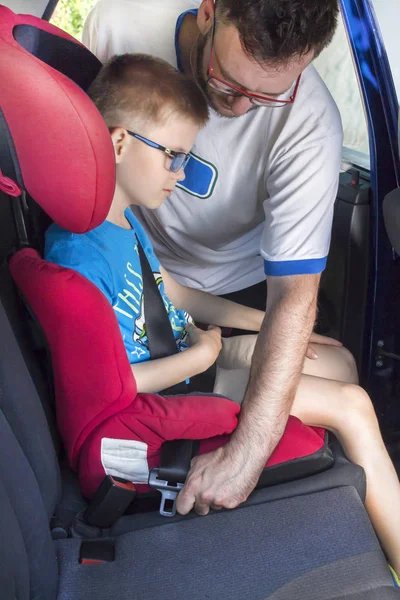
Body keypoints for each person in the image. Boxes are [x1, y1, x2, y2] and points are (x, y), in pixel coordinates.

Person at [44, 54, 400, 576]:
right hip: (160, 406)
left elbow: (176, 296)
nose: (181, 173)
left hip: (188, 364)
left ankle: (366, 502)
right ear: (118, 143)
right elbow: (112, 386)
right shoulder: (78, 256)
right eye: (172, 156)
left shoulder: (124, 223)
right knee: (352, 404)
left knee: (336, 360)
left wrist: (273, 326)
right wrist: (206, 350)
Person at [81, 0, 353, 514]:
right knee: (343, 405)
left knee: (338, 364)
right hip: (146, 280)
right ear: (209, 12)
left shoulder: (310, 124)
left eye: (268, 97)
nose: (241, 108)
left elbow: (294, 293)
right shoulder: (121, 26)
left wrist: (247, 454)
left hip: (227, 285)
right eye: (227, 83)